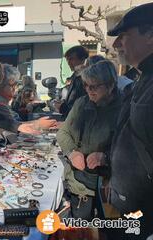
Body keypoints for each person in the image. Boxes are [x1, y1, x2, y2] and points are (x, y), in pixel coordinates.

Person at [106, 3, 153, 238]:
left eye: (123, 36)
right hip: (132, 210)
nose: (116, 44)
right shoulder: (142, 80)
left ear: (150, 36)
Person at [57, 60, 121, 220]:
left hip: (111, 186)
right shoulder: (81, 104)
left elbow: (132, 149)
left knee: (110, 230)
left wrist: (105, 157)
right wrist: (72, 152)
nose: (89, 91)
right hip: (81, 185)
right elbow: (63, 132)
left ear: (110, 85)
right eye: (86, 86)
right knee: (80, 231)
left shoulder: (124, 107)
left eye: (95, 86)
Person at [0, 64, 57, 132]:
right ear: (0, 85)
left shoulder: (0, 102)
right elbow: (12, 126)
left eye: (17, 85)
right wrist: (37, 124)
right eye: (13, 85)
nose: (16, 89)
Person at [53, 46, 89, 118]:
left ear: (82, 59)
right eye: (67, 60)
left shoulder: (86, 77)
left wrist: (62, 107)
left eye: (71, 59)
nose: (69, 63)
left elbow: (81, 104)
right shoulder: (75, 75)